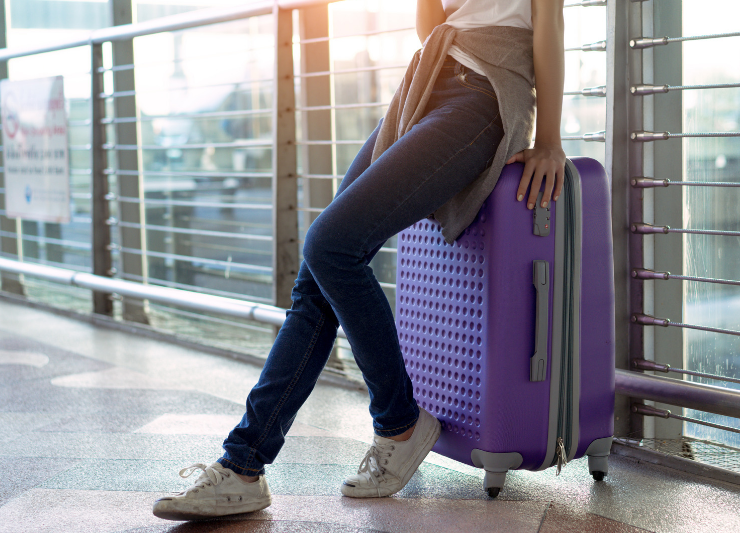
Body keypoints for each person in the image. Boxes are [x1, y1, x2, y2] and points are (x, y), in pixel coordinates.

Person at [152, 0, 565, 520]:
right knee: (317, 274)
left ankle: (400, 423)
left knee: (329, 246)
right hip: (429, 81)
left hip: (486, 95)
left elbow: (549, 20)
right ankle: (243, 466)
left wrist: (548, 138)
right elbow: (431, 22)